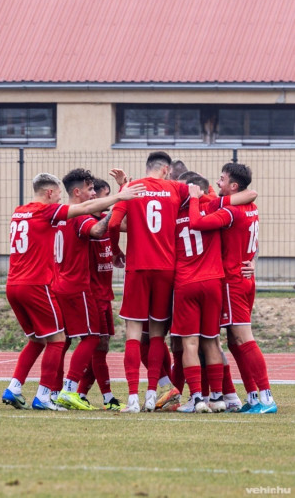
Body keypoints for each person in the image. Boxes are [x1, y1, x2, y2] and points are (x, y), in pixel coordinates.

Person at [1, 172, 144, 411]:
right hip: (45, 285)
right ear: (49, 193)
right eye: (57, 194)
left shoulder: (19, 211)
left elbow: (90, 210)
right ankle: (52, 394)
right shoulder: (49, 212)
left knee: (38, 339)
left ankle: (15, 387)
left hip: (14, 284)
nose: (59, 199)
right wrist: (121, 198)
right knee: (62, 340)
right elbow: (92, 220)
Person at [188, 162, 276, 414]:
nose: (218, 182)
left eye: (222, 179)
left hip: (233, 282)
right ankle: (253, 397)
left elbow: (195, 222)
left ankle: (267, 398)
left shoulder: (230, 212)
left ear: (234, 186)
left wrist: (194, 199)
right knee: (234, 342)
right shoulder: (251, 207)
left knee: (242, 338)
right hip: (245, 278)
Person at [108, 151, 190, 413]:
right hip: (166, 269)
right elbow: (205, 194)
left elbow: (112, 224)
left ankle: (132, 398)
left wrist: (116, 252)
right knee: (157, 334)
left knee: (133, 334)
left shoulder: (132, 188)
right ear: (166, 169)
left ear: (148, 168)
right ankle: (152, 396)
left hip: (138, 268)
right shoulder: (177, 188)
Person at [52, 169, 114, 411]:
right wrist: (118, 207)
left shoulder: (58, 215)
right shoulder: (81, 218)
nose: (94, 194)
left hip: (58, 284)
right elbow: (97, 230)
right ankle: (69, 389)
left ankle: (50, 390)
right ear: (77, 192)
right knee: (92, 338)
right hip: (76, 287)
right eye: (90, 190)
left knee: (61, 341)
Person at [170, 175, 226, 413]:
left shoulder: (173, 214)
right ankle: (217, 397)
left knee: (190, 343)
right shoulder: (214, 205)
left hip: (186, 282)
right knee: (212, 341)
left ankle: (196, 398)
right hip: (213, 280)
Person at [77, 178, 122, 410]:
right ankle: (105, 396)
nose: (103, 199)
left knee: (101, 347)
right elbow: (101, 226)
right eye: (102, 195)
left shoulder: (105, 221)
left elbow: (122, 224)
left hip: (105, 295)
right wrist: (114, 208)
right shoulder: (86, 222)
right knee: (96, 346)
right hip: (90, 295)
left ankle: (80, 394)